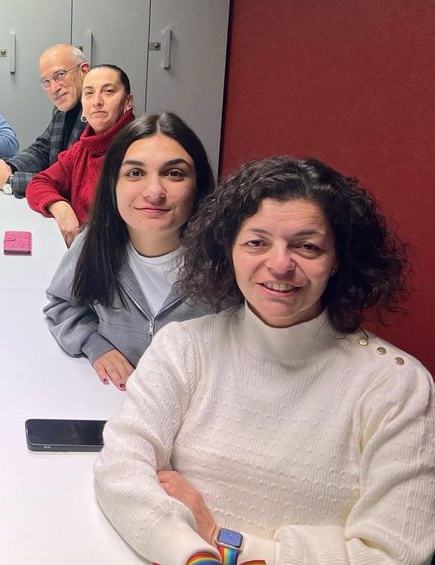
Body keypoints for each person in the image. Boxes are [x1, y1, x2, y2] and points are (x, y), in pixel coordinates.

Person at [94, 157, 435, 565]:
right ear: (229, 249)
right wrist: (191, 554)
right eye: (257, 243)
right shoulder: (183, 348)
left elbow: (394, 554)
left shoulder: (396, 386)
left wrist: (224, 541)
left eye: (307, 246)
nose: (280, 265)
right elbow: (120, 467)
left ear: (338, 259)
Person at [44, 113, 214, 390]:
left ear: (198, 184)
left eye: (174, 173)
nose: (154, 192)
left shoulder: (226, 262)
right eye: (135, 173)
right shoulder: (93, 243)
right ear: (113, 183)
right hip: (113, 401)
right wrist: (94, 344)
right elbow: (61, 305)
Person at [26, 64, 135, 246]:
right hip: (80, 249)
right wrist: (60, 207)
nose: (97, 101)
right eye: (89, 93)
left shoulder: (138, 150)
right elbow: (39, 183)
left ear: (128, 102)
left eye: (108, 91)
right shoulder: (82, 148)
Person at [0, 44, 89, 198]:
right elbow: (42, 149)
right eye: (46, 82)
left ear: (84, 71)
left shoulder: (97, 115)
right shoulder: (61, 110)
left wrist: (10, 180)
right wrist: (8, 167)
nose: (54, 89)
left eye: (60, 75)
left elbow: (71, 182)